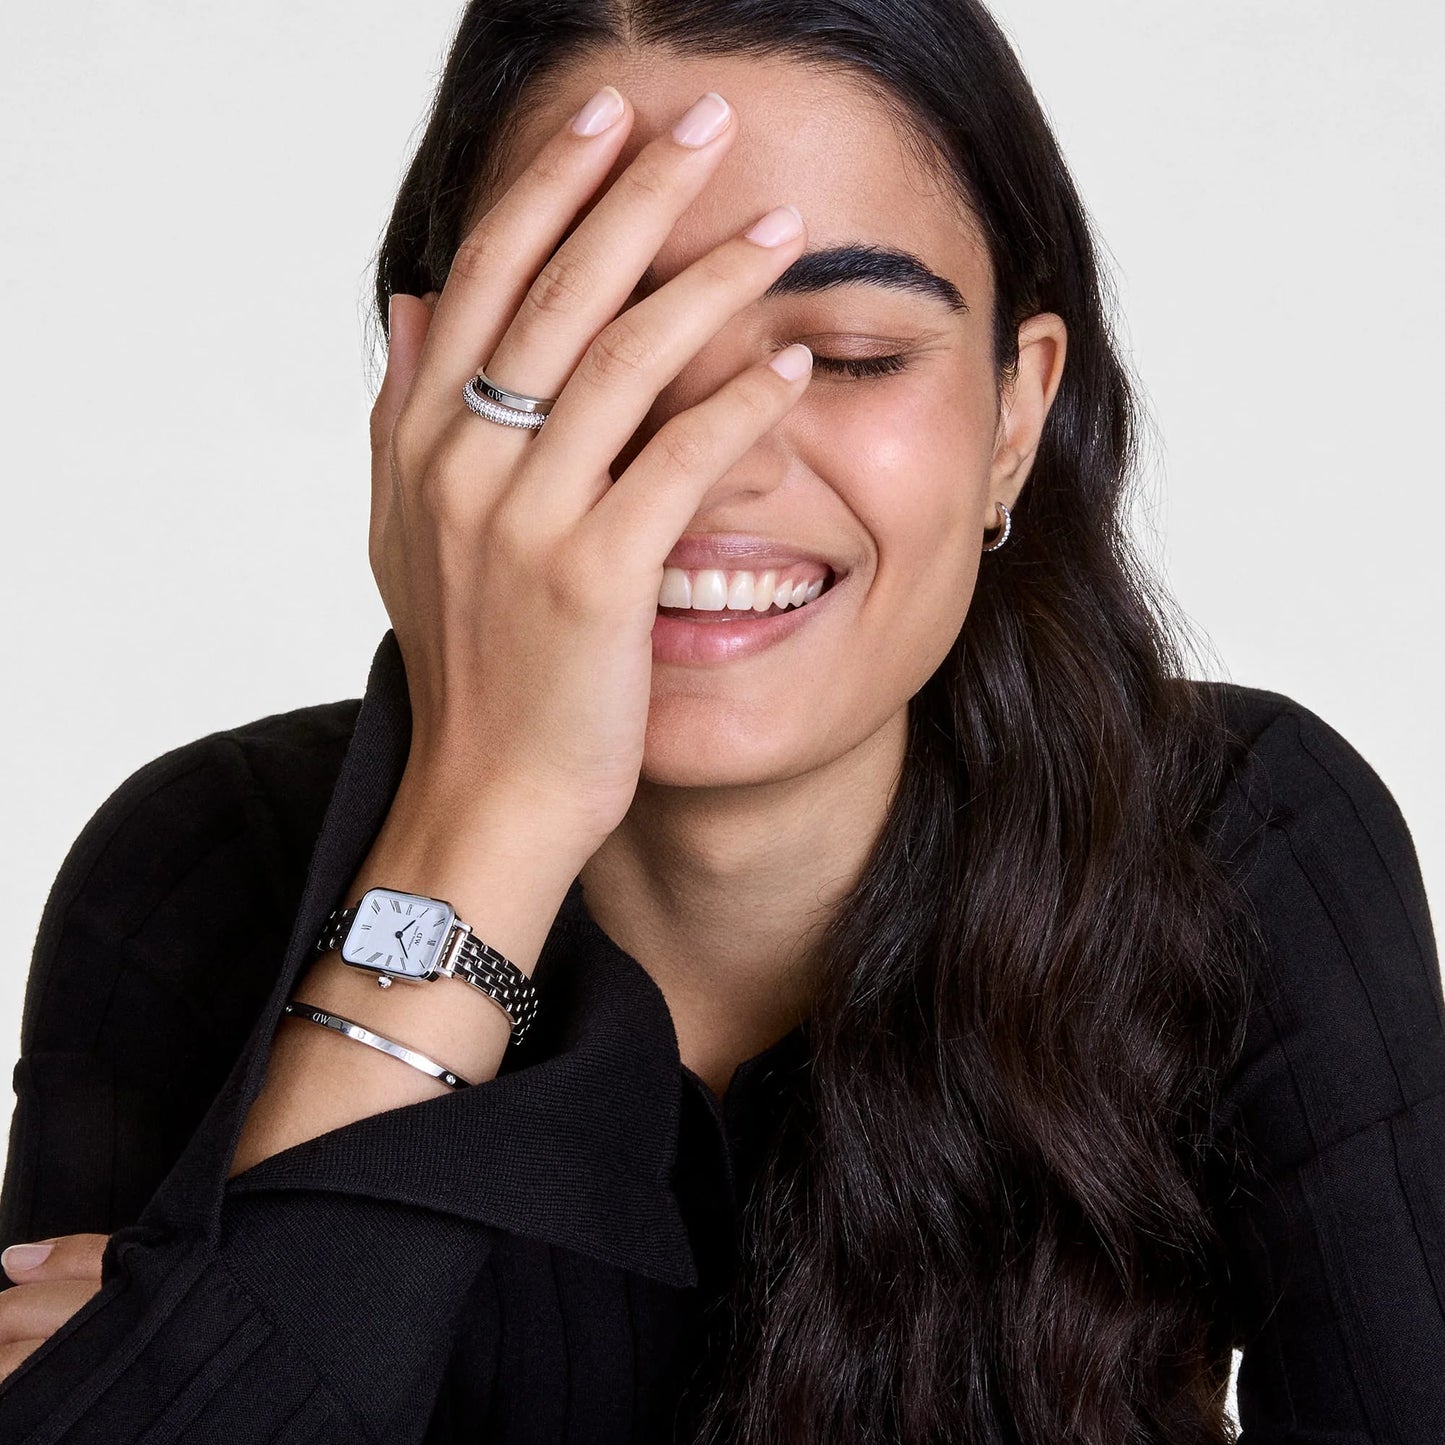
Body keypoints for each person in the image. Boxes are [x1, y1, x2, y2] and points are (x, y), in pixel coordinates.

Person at [0, 0, 1441, 1440]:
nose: (708, 461)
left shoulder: (1247, 835)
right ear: (427, 405)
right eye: (595, 344)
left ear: (1015, 417)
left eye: (853, 353)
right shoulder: (195, 872)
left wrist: (198, 1336)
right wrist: (490, 813)